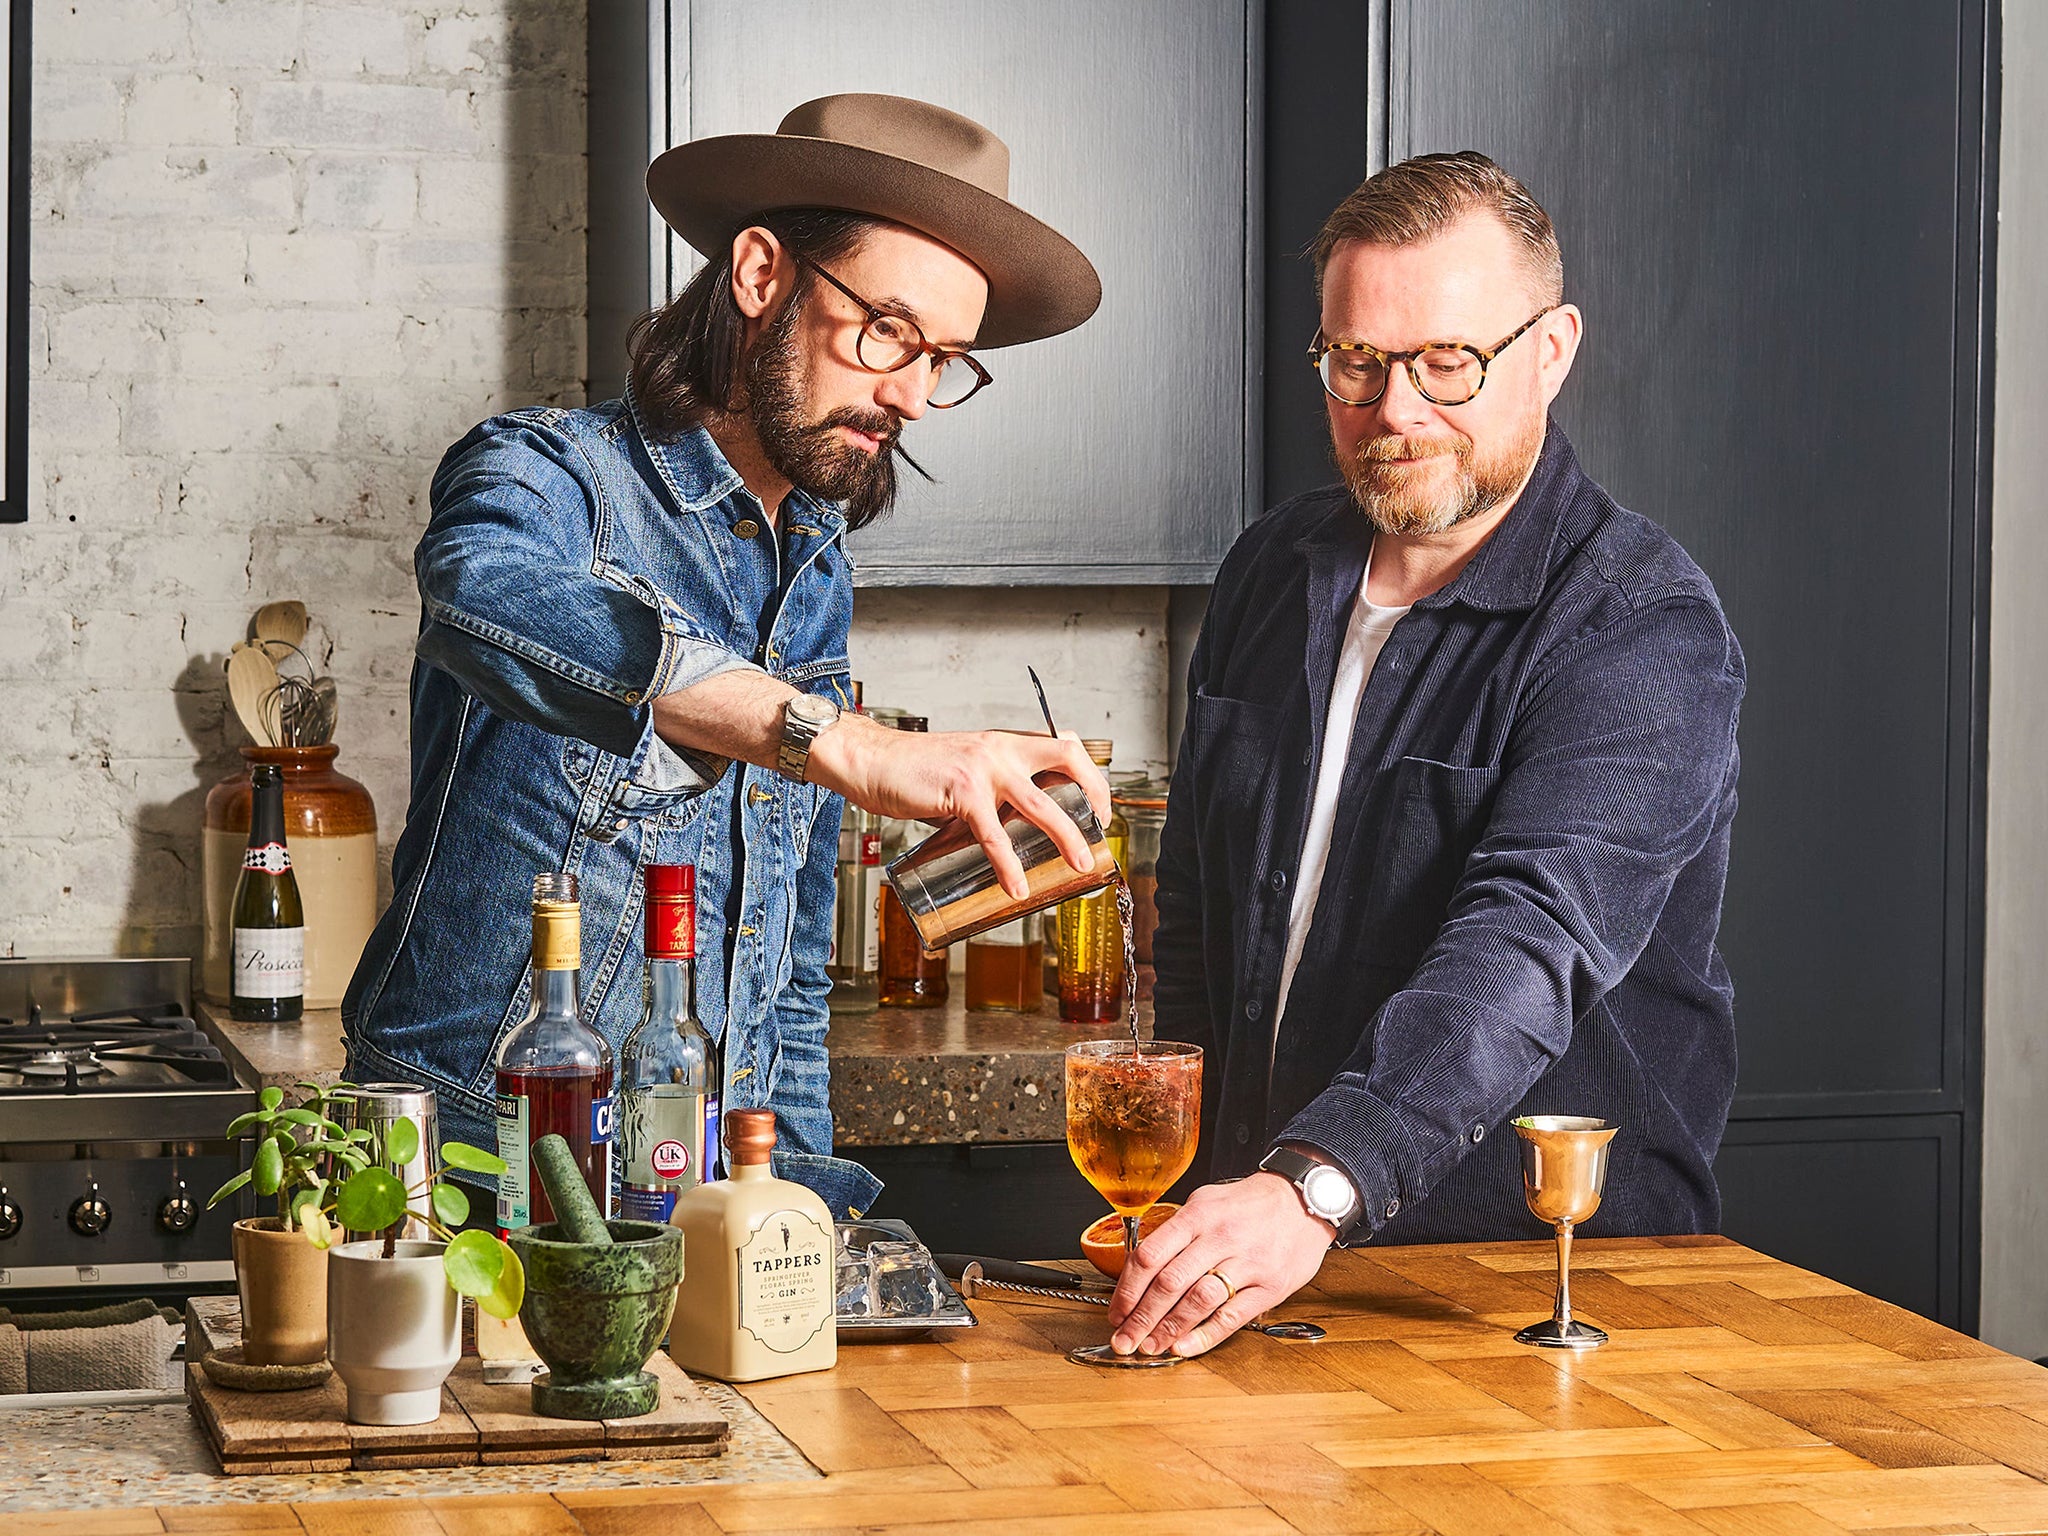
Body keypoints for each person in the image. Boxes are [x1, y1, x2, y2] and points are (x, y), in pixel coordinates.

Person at [342, 95, 1108, 1218]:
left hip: (698, 1191)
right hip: (469, 1176)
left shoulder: (813, 568)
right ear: (759, 275)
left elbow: (782, 975)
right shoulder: (548, 475)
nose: (908, 394)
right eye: (887, 331)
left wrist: (800, 1203)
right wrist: (830, 736)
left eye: (942, 360)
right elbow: (476, 597)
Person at [1113, 152, 1745, 1358]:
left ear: (1550, 350)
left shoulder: (1639, 626)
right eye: (1357, 361)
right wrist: (1200, 1183)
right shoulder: (1270, 570)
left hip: (1528, 1297)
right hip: (1263, 1261)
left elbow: (1520, 952)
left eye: (1448, 363)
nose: (1395, 411)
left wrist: (1314, 1184)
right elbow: (1194, 900)